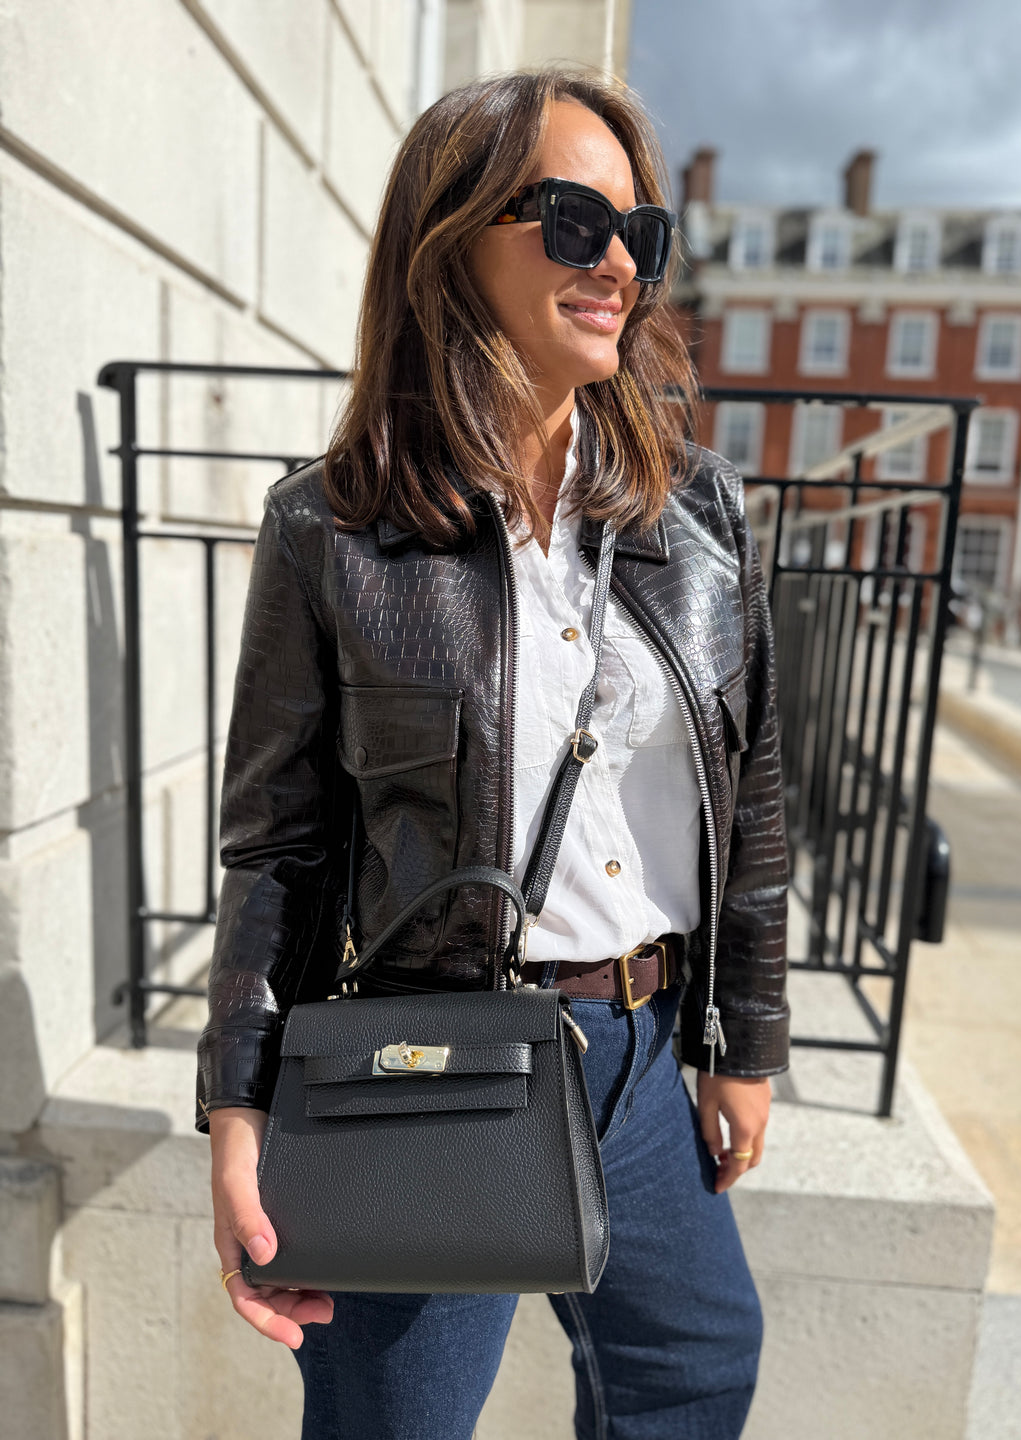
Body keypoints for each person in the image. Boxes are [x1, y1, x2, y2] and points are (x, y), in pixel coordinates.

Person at [196, 66, 790, 1440]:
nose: (618, 266)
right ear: (449, 238)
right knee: (393, 1420)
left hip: (643, 1053)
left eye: (640, 233)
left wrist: (741, 1043)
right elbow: (276, 847)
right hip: (430, 1059)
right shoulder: (332, 530)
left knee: (694, 1370)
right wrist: (239, 1108)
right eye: (574, 220)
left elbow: (751, 797)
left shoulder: (701, 515)